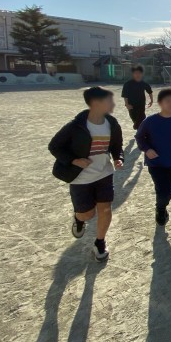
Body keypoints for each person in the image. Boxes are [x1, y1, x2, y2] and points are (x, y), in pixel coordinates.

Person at [48, 86, 124, 261]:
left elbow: (117, 146)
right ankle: (79, 219)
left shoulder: (112, 123)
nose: (113, 104)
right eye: (109, 100)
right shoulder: (75, 126)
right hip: (81, 178)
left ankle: (100, 242)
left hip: (104, 173)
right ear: (96, 103)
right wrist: (74, 160)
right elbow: (54, 146)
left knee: (105, 209)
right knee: (87, 214)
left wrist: (118, 158)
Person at [135, 89, 171, 226]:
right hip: (156, 163)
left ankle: (162, 205)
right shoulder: (150, 121)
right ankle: (160, 210)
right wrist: (147, 149)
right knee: (163, 190)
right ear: (160, 103)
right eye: (168, 101)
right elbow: (139, 137)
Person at [121, 65, 153, 130]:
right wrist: (127, 104)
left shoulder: (143, 83)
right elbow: (125, 95)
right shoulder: (128, 84)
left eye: (139, 73)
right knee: (136, 120)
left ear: (141, 74)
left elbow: (150, 91)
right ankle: (138, 129)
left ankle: (140, 131)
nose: (138, 75)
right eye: (136, 73)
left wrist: (151, 101)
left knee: (142, 120)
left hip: (141, 105)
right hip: (132, 106)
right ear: (133, 74)